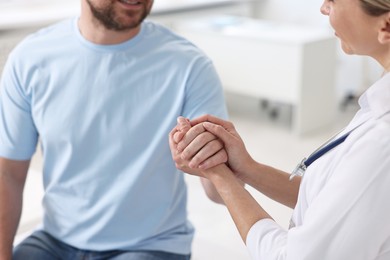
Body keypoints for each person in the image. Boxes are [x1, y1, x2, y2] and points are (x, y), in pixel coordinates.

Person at [0, 0, 228, 259]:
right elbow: (8, 174)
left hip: (149, 245)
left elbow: (219, 187)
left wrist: (222, 165)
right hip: (55, 240)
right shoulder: (30, 59)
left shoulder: (190, 66)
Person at [169, 0, 390, 259]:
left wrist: (220, 177)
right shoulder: (377, 108)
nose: (323, 8)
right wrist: (247, 168)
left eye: (333, 0)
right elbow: (332, 199)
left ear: (385, 26)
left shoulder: (380, 142)